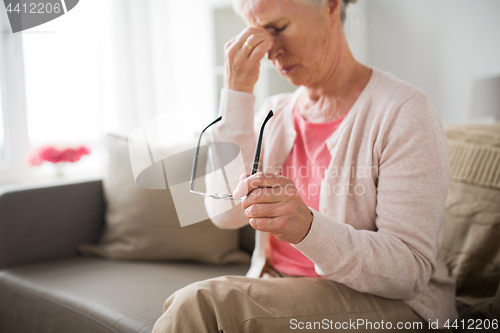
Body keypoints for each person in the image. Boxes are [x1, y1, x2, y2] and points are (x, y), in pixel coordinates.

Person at [153, 0, 459, 331]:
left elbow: (409, 272)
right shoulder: (276, 112)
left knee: (201, 305)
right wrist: (236, 94)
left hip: (391, 305)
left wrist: (306, 227)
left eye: (279, 28)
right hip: (280, 286)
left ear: (330, 6)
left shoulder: (404, 111)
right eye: (257, 34)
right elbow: (225, 214)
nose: (270, 51)